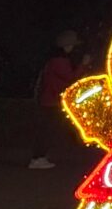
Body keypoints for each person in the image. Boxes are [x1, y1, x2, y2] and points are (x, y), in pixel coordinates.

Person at [28, 30, 83, 169]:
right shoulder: (60, 61)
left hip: (49, 99)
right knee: (47, 130)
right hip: (51, 100)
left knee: (47, 130)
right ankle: (38, 158)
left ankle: (40, 157)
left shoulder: (53, 60)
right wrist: (83, 65)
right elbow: (71, 77)